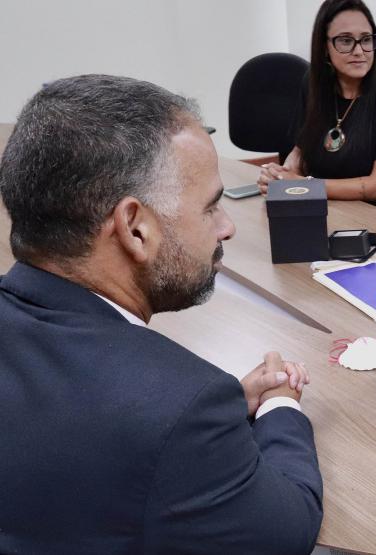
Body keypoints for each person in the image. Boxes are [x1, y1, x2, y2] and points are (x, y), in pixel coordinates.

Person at [0, 75, 323, 553]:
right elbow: (287, 529)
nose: (227, 227)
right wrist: (280, 405)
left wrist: (229, 402)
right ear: (135, 229)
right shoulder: (179, 409)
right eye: (210, 208)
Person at [258, 0, 376, 213]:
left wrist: (302, 185)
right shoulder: (313, 85)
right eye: (345, 41)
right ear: (324, 47)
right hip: (326, 208)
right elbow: (300, 150)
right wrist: (280, 176)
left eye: (366, 40)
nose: (359, 51)